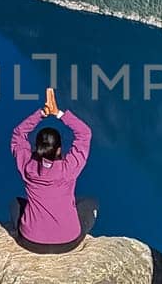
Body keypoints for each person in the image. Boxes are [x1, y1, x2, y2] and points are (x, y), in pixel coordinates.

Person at [9, 87, 98, 254]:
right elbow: (84, 133)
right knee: (90, 203)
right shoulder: (69, 168)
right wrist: (58, 113)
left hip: (30, 241)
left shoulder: (27, 166)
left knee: (16, 203)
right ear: (58, 150)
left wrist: (42, 113)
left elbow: (18, 135)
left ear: (37, 147)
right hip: (68, 242)